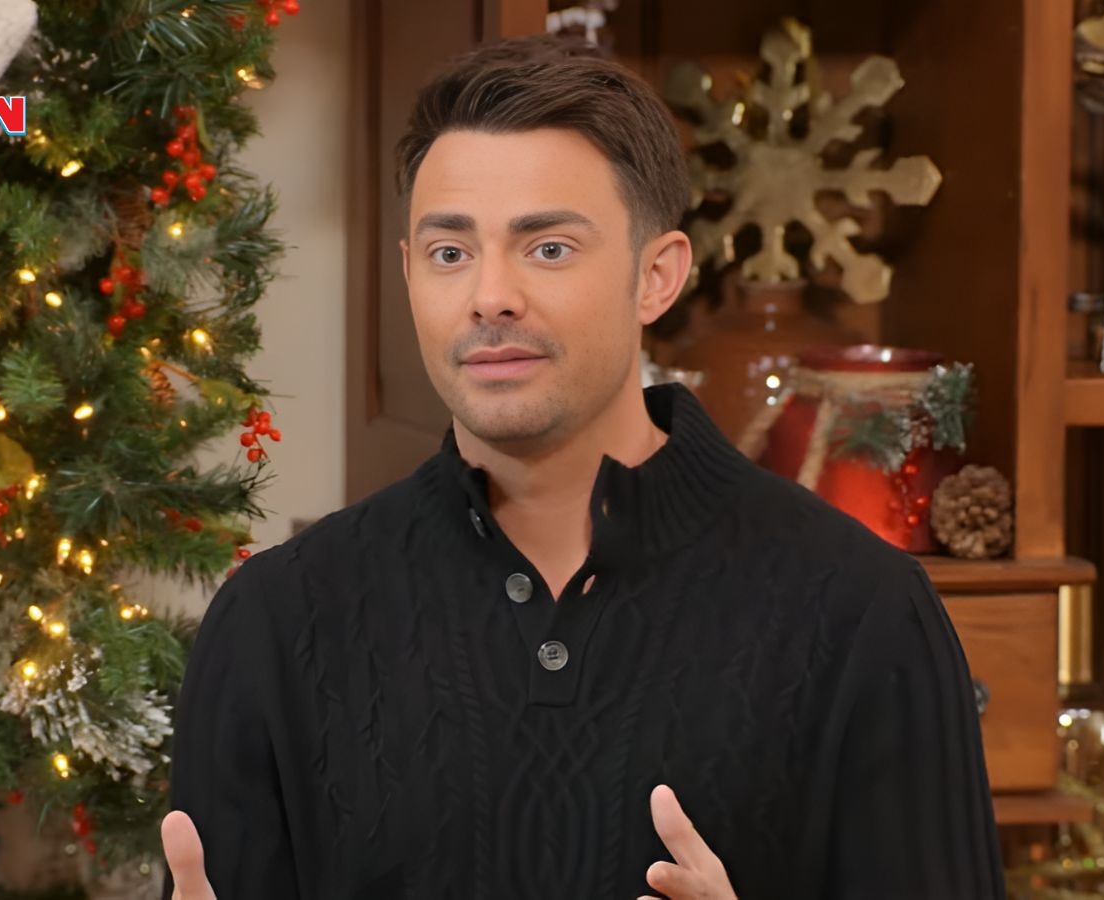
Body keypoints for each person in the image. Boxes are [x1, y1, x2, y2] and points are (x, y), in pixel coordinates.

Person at [161, 33, 1003, 900]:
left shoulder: (866, 614)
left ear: (657, 276)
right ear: (410, 273)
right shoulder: (273, 625)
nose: (490, 295)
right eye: (451, 253)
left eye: (548, 247)